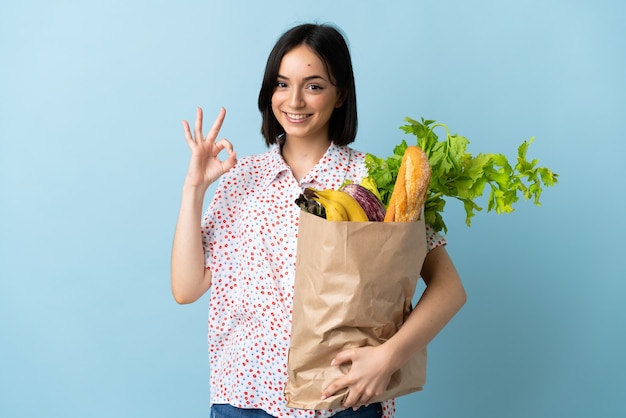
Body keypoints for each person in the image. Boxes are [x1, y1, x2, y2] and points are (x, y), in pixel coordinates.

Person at [171, 23, 466, 418]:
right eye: (281, 84)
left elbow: (449, 288)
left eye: (313, 86)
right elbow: (186, 288)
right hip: (242, 399)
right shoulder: (240, 179)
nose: (294, 101)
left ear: (340, 93)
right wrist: (194, 189)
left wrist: (387, 358)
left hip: (342, 402)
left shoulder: (374, 180)